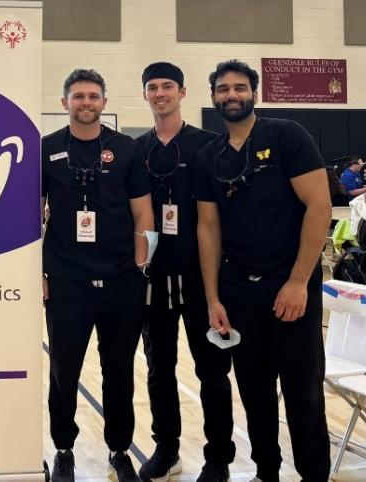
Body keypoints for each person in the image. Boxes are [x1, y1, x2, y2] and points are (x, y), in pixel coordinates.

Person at [194, 59, 331, 482]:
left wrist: (298, 282)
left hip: (290, 288)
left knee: (303, 392)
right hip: (239, 291)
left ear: (255, 93)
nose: (231, 95)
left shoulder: (287, 135)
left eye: (239, 87)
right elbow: (208, 229)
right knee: (254, 392)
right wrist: (214, 298)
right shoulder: (209, 156)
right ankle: (265, 472)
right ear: (213, 97)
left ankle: (313, 475)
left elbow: (320, 206)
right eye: (222, 89)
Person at [43, 68, 154, 482]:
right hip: (66, 281)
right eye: (78, 96)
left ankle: (119, 449)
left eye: (93, 96)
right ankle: (64, 449)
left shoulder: (126, 149)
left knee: (119, 371)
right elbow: (31, 213)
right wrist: (38, 271)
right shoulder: (47, 148)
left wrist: (141, 267)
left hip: (121, 281)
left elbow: (143, 212)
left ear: (104, 102)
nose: (85, 103)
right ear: (65, 103)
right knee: (64, 371)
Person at [135, 62, 235, 482]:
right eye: (152, 87)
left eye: (167, 86)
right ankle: (167, 449)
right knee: (159, 370)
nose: (160, 93)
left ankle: (218, 458)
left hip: (202, 279)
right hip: (154, 281)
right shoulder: (136, 150)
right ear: (145, 94)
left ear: (182, 92)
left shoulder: (209, 145)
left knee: (212, 371)